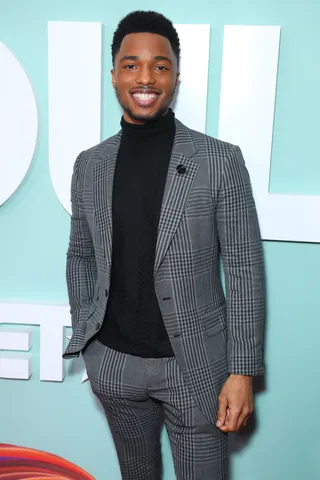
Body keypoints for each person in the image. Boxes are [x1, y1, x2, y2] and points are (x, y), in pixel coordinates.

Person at [63, 10, 266, 480]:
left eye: (160, 64)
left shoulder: (220, 160)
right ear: (113, 74)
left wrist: (243, 372)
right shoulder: (89, 164)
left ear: (176, 75)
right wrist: (89, 336)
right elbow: (81, 255)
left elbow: (243, 268)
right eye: (131, 64)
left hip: (196, 368)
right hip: (114, 365)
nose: (146, 77)